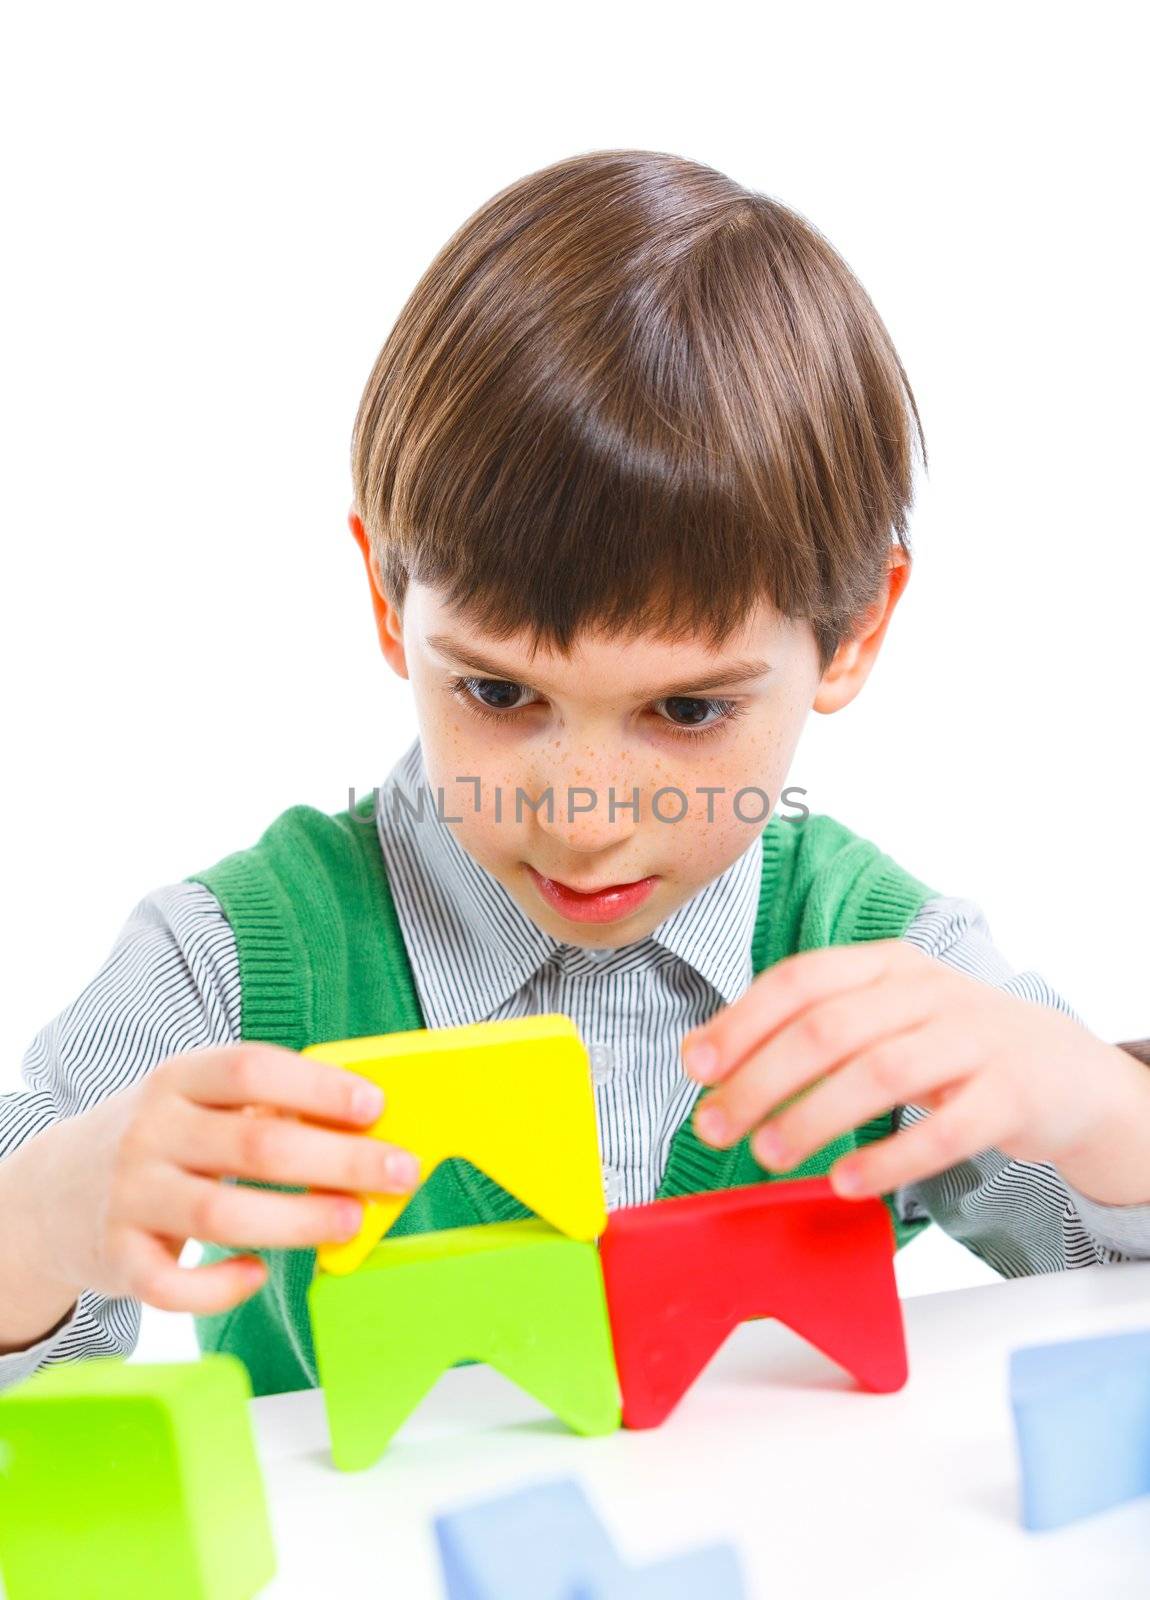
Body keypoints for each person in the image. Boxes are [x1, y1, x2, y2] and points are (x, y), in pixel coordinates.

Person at [3, 149, 1149, 1398]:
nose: (586, 815)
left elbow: (1111, 1278)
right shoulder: (234, 964)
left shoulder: (888, 974)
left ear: (854, 632)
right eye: (498, 692)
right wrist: (42, 1218)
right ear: (390, 600)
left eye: (687, 709)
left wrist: (1103, 1109)